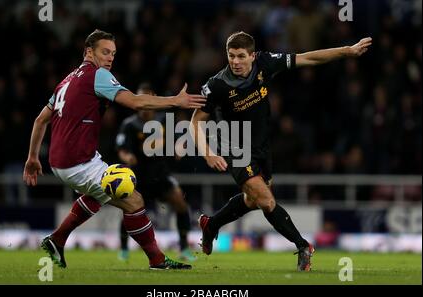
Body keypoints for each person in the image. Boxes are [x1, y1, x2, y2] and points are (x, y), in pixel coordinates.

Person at [23, 29, 206, 270]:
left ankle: (57, 239)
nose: (110, 58)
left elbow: (40, 120)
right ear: (89, 52)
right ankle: (157, 260)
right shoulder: (97, 75)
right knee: (133, 198)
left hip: (63, 161)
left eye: (113, 53)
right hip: (77, 162)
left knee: (99, 195)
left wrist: (33, 158)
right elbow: (136, 102)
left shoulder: (65, 81)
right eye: (105, 52)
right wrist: (175, 101)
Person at [190, 31, 371, 271]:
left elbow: (309, 58)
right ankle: (303, 245)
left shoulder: (265, 63)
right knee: (266, 200)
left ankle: (211, 225)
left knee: (252, 200)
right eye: (231, 56)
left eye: (241, 56)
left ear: (252, 56)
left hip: (262, 147)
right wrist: (208, 153)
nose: (235, 61)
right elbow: (195, 121)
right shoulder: (217, 85)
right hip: (235, 147)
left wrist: (346, 51)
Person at [116, 83, 196, 262]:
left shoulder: (163, 120)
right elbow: (121, 148)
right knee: (129, 211)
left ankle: (183, 248)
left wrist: (178, 147)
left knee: (181, 204)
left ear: (152, 98)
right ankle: (123, 249)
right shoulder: (129, 125)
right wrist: (127, 156)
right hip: (138, 176)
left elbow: (178, 140)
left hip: (160, 174)